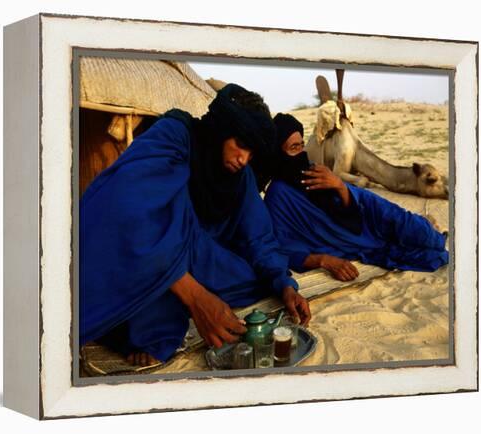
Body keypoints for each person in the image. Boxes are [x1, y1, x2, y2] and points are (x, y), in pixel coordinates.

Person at [79, 85, 310, 367]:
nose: (243, 159)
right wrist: (197, 297)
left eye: (251, 153)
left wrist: (284, 283)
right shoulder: (174, 137)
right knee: (156, 317)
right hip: (145, 251)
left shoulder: (240, 176)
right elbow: (124, 211)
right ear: (221, 129)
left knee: (257, 279)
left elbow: (259, 236)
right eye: (241, 145)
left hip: (197, 256)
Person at [262, 113, 449, 282]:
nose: (302, 153)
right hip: (351, 242)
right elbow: (280, 248)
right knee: (429, 255)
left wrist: (339, 185)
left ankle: (432, 233)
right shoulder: (278, 196)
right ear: (279, 153)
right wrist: (324, 260)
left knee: (424, 235)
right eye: (294, 148)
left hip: (368, 218)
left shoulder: (313, 171)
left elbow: (355, 206)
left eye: (302, 145)